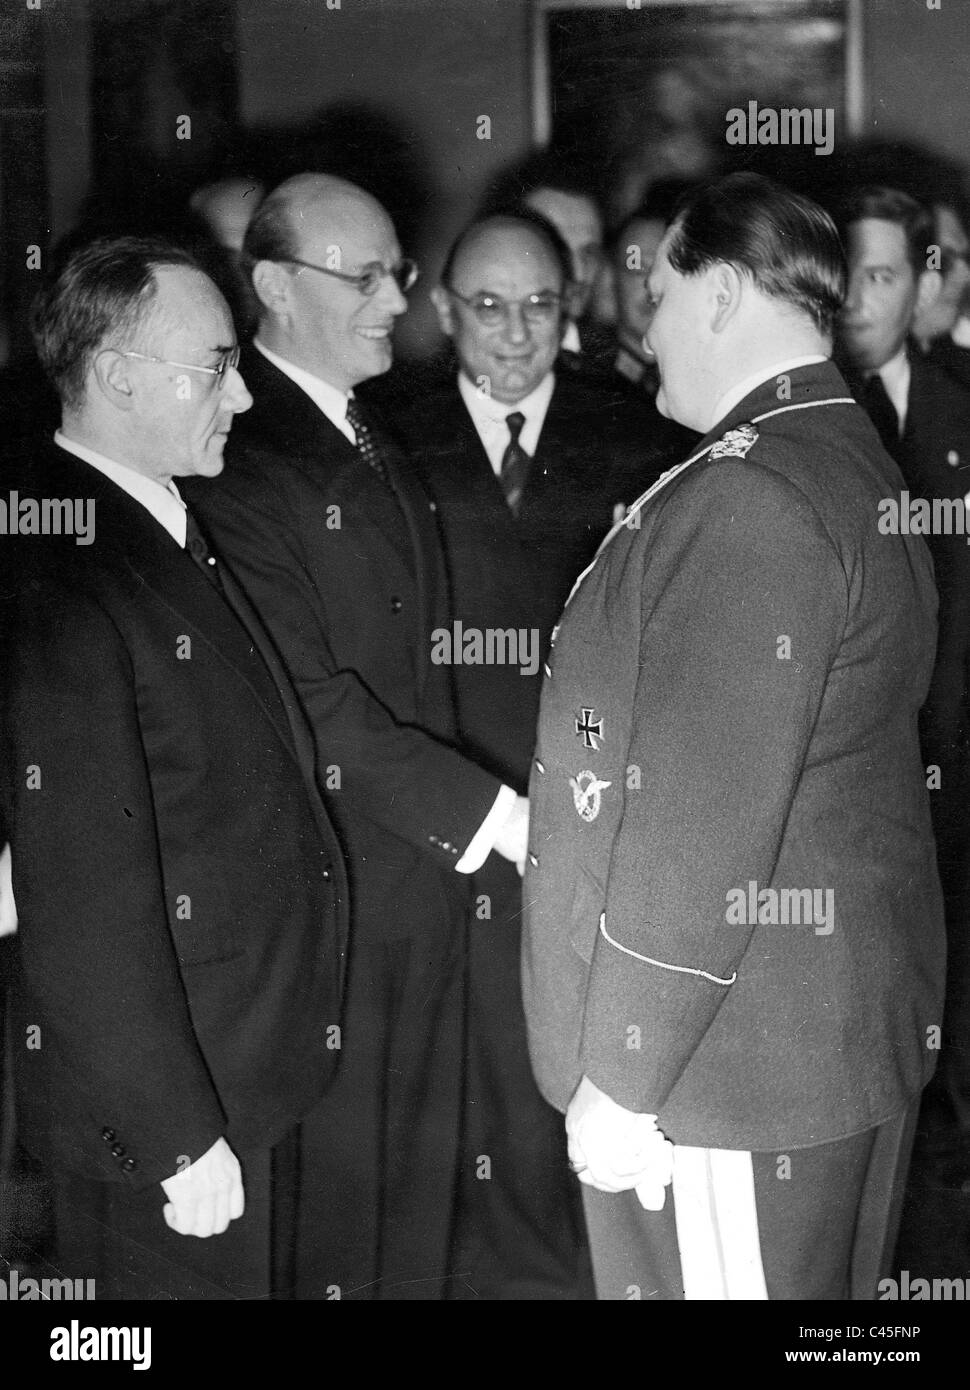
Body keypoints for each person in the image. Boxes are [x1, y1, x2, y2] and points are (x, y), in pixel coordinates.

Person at [522, 172, 946, 1300]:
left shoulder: (751, 494)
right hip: (803, 1045)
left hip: (721, 1072)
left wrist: (620, 1078)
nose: (641, 325)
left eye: (657, 292)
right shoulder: (836, 454)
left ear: (719, 294)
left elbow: (699, 821)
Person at [187, 173, 529, 1300]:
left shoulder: (364, 427)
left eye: (399, 270)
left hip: (416, 892)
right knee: (343, 1230)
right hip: (330, 914)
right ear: (274, 285)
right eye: (364, 274)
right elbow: (306, 699)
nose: (398, 298)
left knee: (410, 1223)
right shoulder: (240, 452)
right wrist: (492, 817)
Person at [0, 236, 349, 1299]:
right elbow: (82, 892)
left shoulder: (150, 521)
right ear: (115, 376)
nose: (242, 395)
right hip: (162, 1114)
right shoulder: (65, 573)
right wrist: (176, 1133)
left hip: (230, 1063)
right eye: (215, 366)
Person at [395, 209, 690, 1298]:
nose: (514, 334)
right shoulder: (388, 432)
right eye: (486, 307)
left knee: (565, 1088)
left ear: (569, 309)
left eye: (538, 306)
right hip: (442, 825)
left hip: (590, 826)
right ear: (441, 310)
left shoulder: (636, 435)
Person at [838, 186, 970, 1178]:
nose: (854, 297)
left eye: (879, 275)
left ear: (921, 278)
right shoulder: (798, 416)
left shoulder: (965, 406)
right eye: (841, 273)